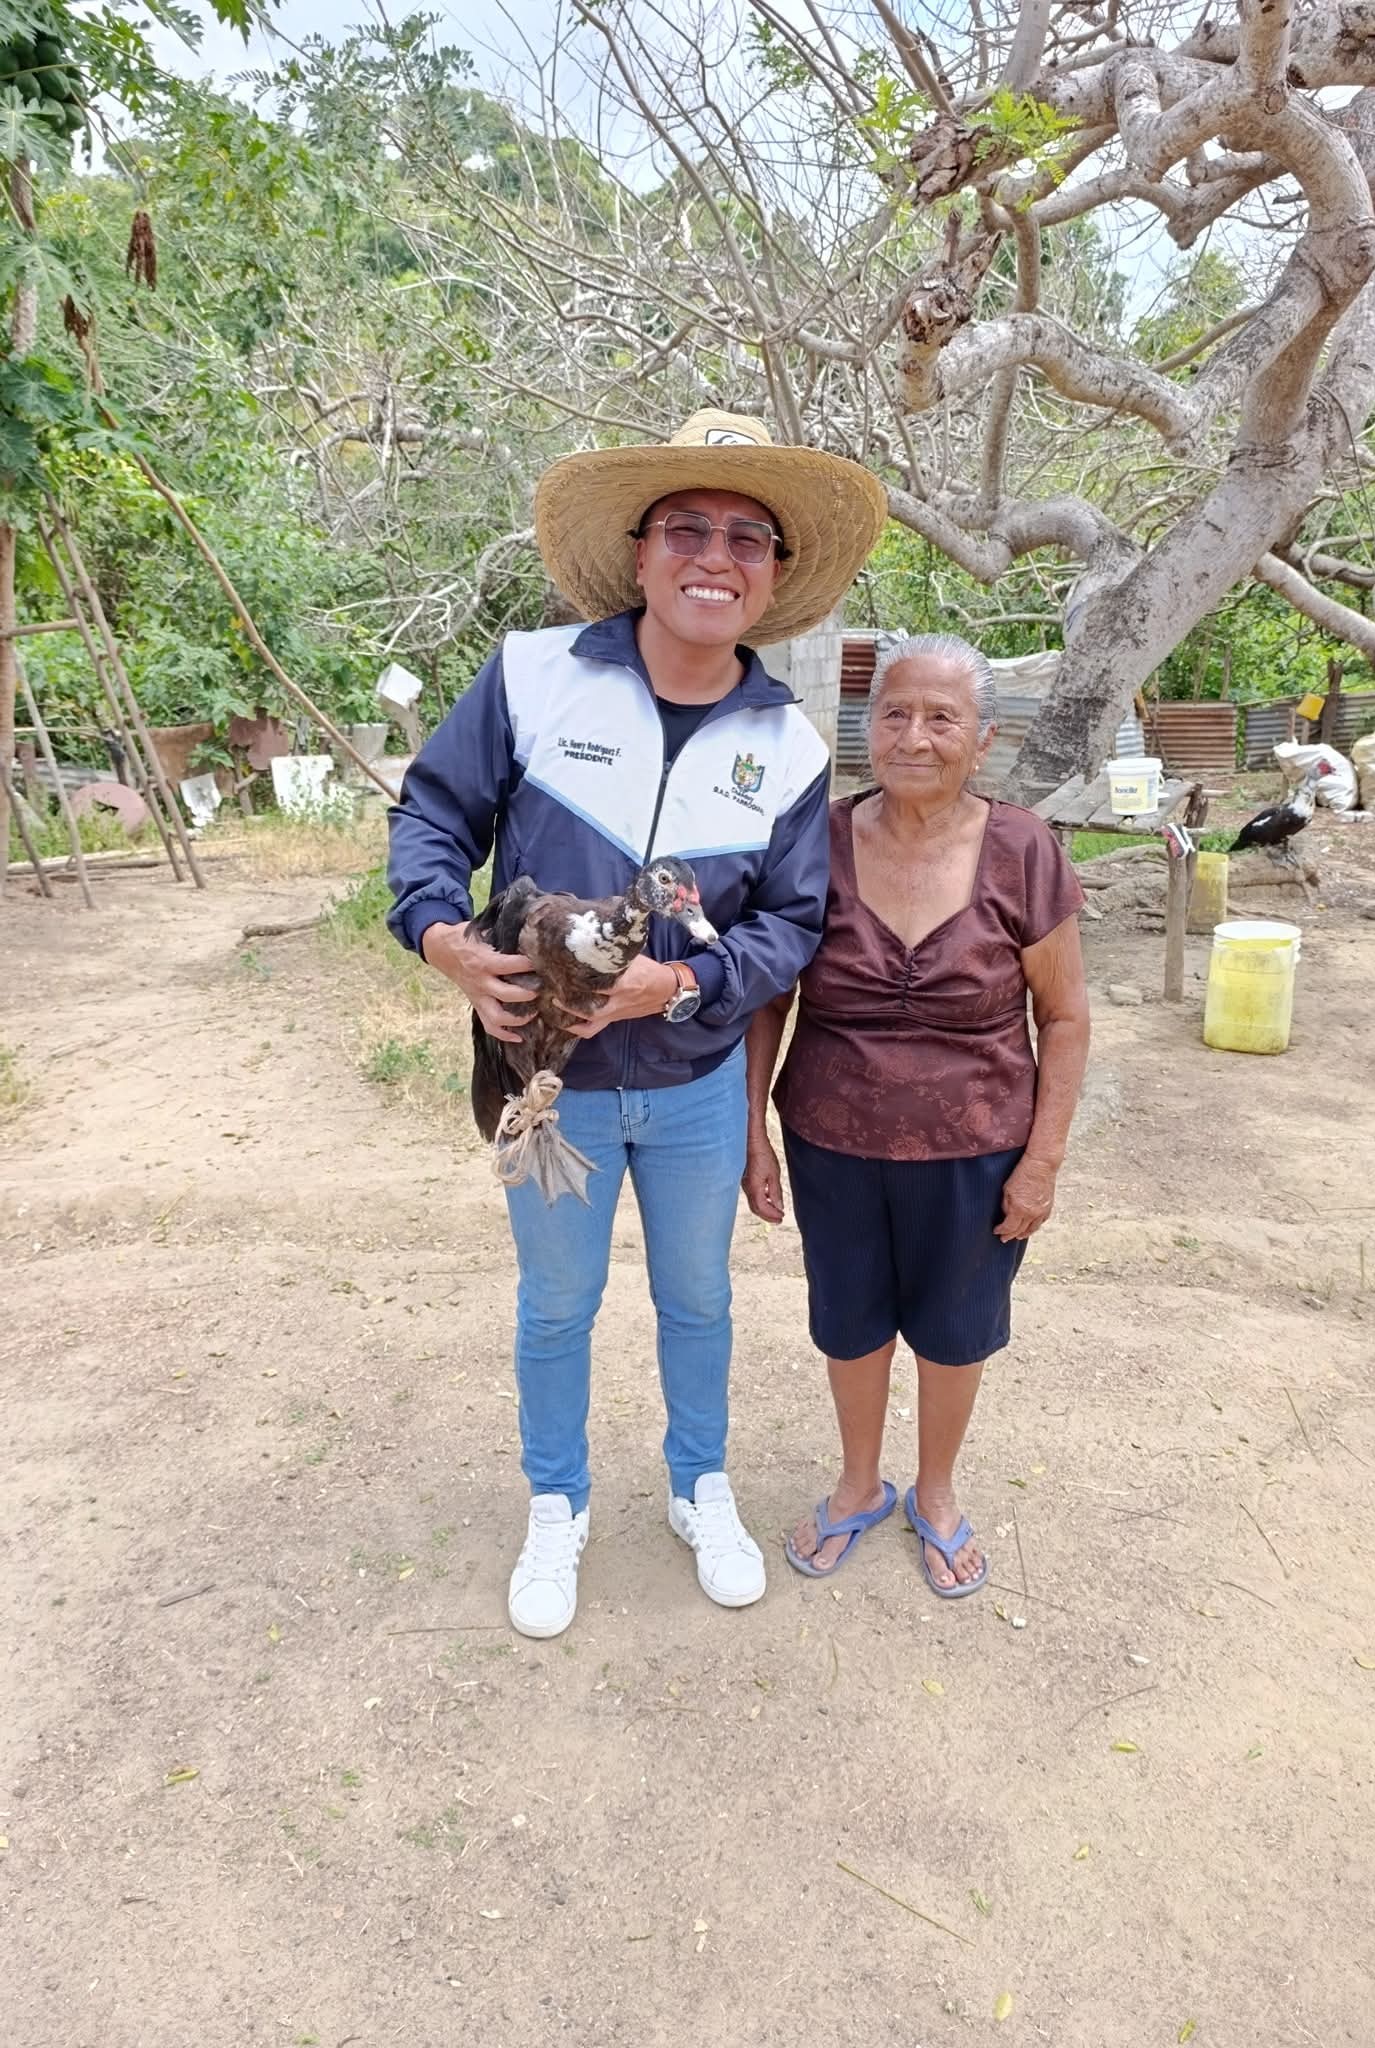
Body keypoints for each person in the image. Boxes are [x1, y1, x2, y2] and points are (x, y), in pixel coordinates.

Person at [387, 410, 886, 1638]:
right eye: (687, 528)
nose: (715, 556)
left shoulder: (788, 743)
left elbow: (793, 923)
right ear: (641, 549)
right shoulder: (532, 675)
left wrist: (681, 986)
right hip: (545, 1081)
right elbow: (433, 815)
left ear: (773, 571)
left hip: (695, 1085)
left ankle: (697, 1484)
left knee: (698, 1298)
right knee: (557, 1303)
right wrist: (441, 937)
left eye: (747, 536)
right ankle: (556, 1503)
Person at [743, 633, 1091, 1597]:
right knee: (848, 1319)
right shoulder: (815, 840)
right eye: (894, 714)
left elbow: (1064, 1016)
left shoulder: (1024, 849)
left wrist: (1043, 1162)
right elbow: (769, 997)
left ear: (983, 740)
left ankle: (935, 1493)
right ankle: (858, 1485)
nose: (915, 736)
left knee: (956, 1326)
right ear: (868, 730)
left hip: (980, 1145)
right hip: (831, 1137)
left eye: (943, 718)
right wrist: (751, 1129)